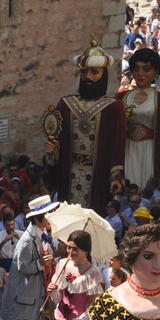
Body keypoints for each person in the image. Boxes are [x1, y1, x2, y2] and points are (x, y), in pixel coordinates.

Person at [45, 38, 128, 214]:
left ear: (103, 74)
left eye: (94, 72)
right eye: (84, 73)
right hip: (70, 172)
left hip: (98, 173)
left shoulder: (114, 108)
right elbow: (58, 140)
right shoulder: (66, 104)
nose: (88, 77)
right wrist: (53, 150)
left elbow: (118, 146)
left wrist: (116, 177)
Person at [117, 48, 160, 189]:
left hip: (150, 150)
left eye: (146, 69)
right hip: (127, 148)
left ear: (156, 72)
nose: (140, 74)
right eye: (136, 69)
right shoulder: (122, 97)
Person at [0, 197, 57, 320]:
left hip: (38, 292)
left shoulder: (43, 233)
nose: (50, 217)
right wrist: (39, 263)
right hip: (24, 298)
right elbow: (23, 267)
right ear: (37, 219)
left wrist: (49, 264)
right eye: (48, 215)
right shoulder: (27, 240)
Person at [46, 231, 105, 320]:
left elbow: (96, 305)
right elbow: (57, 299)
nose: (70, 252)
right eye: (69, 247)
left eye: (75, 249)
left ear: (85, 250)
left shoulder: (93, 272)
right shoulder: (62, 264)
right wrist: (53, 291)